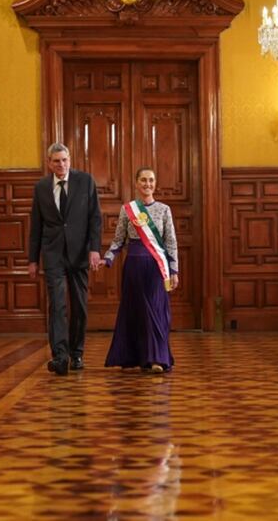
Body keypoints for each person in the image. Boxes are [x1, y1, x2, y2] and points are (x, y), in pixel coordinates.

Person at [28, 143, 102, 376]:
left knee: (79, 305)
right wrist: (33, 259)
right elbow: (36, 226)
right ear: (49, 163)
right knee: (57, 305)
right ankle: (60, 356)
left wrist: (94, 249)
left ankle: (76, 353)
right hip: (53, 254)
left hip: (80, 253)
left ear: (70, 160)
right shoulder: (41, 187)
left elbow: (95, 218)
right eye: (56, 161)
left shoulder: (85, 181)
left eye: (64, 160)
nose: (61, 164)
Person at [103, 168, 179, 373]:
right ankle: (138, 357)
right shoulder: (127, 209)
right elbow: (119, 240)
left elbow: (171, 242)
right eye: (143, 180)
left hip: (157, 268)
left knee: (155, 311)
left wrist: (174, 270)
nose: (148, 184)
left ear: (155, 183)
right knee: (137, 311)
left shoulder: (164, 210)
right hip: (134, 267)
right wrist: (108, 258)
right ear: (136, 183)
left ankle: (157, 359)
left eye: (151, 180)